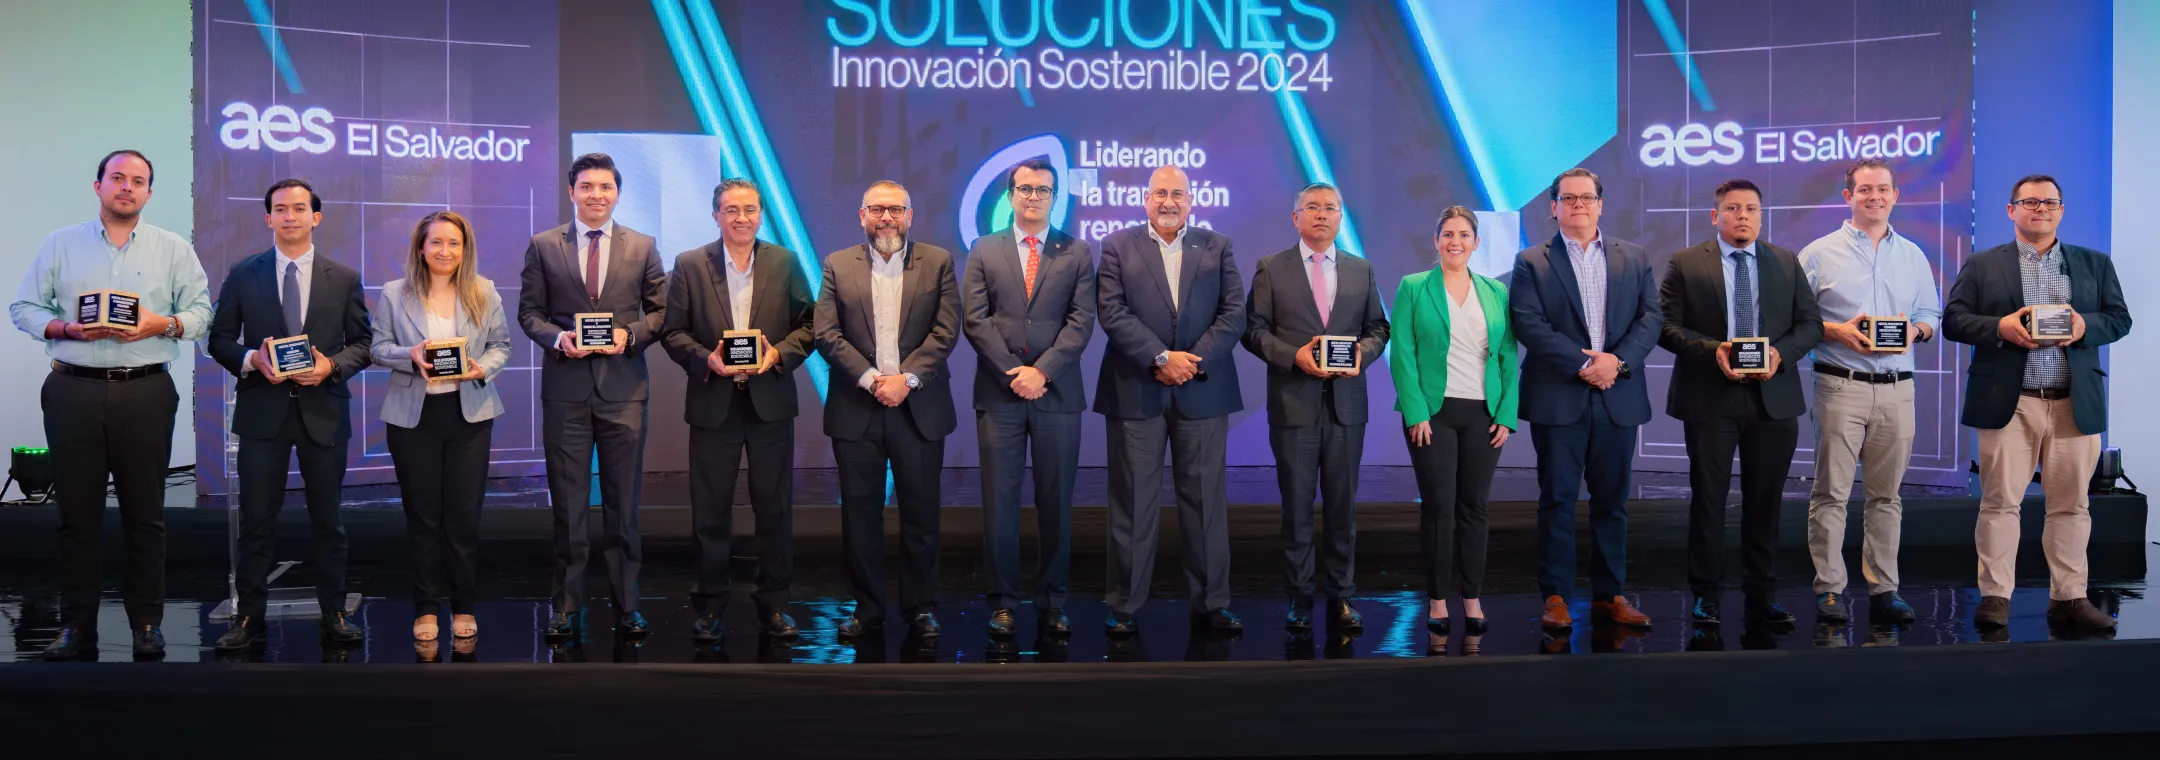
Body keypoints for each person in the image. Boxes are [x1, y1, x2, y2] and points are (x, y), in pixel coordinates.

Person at [11, 150, 212, 660]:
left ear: (149, 193)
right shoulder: (61, 243)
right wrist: (64, 328)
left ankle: (147, 623)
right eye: (117, 178)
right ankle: (77, 627)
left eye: (138, 180)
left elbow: (200, 313)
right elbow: (24, 307)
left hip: (144, 390)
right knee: (77, 516)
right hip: (72, 388)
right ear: (97, 186)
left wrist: (159, 325)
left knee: (146, 516)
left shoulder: (173, 248)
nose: (127, 186)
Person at [1943, 174, 2130, 631]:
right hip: (2011, 402)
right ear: (2012, 210)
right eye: (2030, 202)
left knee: (2071, 506)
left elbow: (2119, 319)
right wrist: (2000, 328)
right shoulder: (1984, 264)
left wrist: (2084, 326)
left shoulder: (2094, 263)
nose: (2040, 209)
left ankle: (2069, 598)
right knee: (2000, 503)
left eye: (2050, 202)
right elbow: (1954, 320)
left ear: (2061, 210)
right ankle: (1995, 597)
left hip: (2073, 402)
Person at [205, 178, 373, 651]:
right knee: (257, 522)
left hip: (324, 413)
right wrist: (251, 360)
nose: (291, 216)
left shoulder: (342, 277)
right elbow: (219, 339)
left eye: (300, 209)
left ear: (315, 217)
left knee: (329, 522)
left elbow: (364, 343)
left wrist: (331, 367)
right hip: (262, 412)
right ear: (268, 218)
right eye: (281, 209)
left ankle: (335, 613)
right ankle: (248, 618)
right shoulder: (243, 273)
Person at [1658, 178, 1822, 627]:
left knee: (1765, 502)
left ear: (1761, 215)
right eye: (1733, 208)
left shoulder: (1786, 262)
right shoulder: (1686, 262)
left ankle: (1762, 596)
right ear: (1716, 216)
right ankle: (1706, 596)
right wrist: (1715, 351)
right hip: (1710, 396)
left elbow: (1810, 325)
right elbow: (1665, 327)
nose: (1742, 216)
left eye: (1751, 208)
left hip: (1773, 398)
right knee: (1708, 500)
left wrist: (1779, 355)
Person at [518, 153, 667, 640]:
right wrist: (558, 339)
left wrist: (628, 337)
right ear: (572, 193)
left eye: (605, 186)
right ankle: (566, 607)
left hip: (624, 390)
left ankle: (628, 606)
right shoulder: (543, 245)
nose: (596, 194)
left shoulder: (642, 246)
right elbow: (530, 313)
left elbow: (661, 313)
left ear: (617, 193)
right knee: (569, 506)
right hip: (566, 391)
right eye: (586, 186)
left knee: (623, 507)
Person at [661, 178, 815, 642]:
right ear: (716, 215)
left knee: (775, 510)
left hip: (770, 403)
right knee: (710, 513)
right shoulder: (690, 264)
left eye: (750, 210)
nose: (741, 218)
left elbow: (809, 324)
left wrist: (779, 355)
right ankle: (710, 607)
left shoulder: (784, 262)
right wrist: (704, 359)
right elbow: (673, 331)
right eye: (731, 210)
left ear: (760, 215)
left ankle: (774, 604)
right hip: (714, 404)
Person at [1508, 168, 1661, 631]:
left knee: (1611, 503)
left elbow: (1650, 318)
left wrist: (1616, 362)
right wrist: (1584, 365)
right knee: (1556, 499)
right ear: (1553, 206)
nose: (1578, 204)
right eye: (1567, 198)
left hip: (1618, 393)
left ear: (1600, 204)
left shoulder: (1633, 257)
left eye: (1586, 197)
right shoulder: (1531, 261)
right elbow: (1529, 324)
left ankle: (1609, 594)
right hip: (1559, 396)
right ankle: (1555, 596)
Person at [1095, 165, 1246, 635]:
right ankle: (1124, 605)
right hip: (1137, 389)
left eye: (1177, 194)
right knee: (1133, 503)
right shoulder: (1117, 245)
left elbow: (1234, 312)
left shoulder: (1217, 245)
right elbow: (1112, 311)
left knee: (1205, 505)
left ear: (1191, 199)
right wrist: (1160, 357)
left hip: (1201, 389)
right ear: (1145, 199)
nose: (1168, 202)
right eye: (1160, 193)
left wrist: (1191, 361)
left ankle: (1213, 602)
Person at [814, 180, 961, 640]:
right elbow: (826, 333)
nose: (886, 218)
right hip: (857, 406)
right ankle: (867, 608)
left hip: (918, 408)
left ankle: (920, 607)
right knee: (860, 518)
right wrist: (872, 379)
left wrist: (906, 379)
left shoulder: (937, 261)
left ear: (910, 216)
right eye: (877, 209)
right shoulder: (838, 264)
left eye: (896, 210)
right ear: (862, 215)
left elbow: (945, 331)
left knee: (921, 515)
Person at [1797, 158, 1941, 625]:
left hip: (1898, 388)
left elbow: (1930, 315)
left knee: (1887, 496)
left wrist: (1915, 332)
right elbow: (1797, 321)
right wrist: (1838, 331)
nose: (1874, 197)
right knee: (1831, 493)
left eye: (1883, 189)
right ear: (1848, 197)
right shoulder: (1818, 253)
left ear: (1895, 195)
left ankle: (1884, 589)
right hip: (1841, 383)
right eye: (1864, 190)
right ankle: (1830, 590)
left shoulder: (1914, 255)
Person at [1242, 182, 1388, 632]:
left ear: (1340, 218)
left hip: (1347, 408)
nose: (1321, 215)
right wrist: (1293, 356)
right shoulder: (1271, 268)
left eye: (1330, 208)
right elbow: (1253, 330)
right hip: (1294, 405)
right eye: (1312, 207)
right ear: (1296, 217)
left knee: (1343, 508)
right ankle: (1300, 597)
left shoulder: (1361, 270)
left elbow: (1378, 328)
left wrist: (1364, 353)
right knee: (1297, 508)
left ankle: (1342, 596)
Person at [960, 158, 1097, 638]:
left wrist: (1043, 372)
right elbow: (975, 320)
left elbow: (1082, 321)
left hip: (1057, 394)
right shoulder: (984, 248)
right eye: (1024, 188)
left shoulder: (1076, 250)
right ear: (1010, 195)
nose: (1033, 196)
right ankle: (1002, 602)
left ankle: (1052, 600)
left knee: (1056, 503)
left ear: (1054, 195)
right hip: (1000, 394)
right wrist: (1014, 372)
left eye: (1043, 189)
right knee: (1000, 502)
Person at [371, 210, 512, 645]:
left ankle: (464, 605)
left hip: (468, 414)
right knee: (423, 517)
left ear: (464, 249)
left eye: (454, 243)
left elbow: (500, 345)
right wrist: (409, 354)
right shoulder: (395, 293)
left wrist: (478, 370)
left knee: (464, 517)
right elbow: (377, 348)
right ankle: (426, 608)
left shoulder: (483, 291)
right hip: (414, 418)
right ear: (421, 247)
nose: (445, 251)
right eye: (436, 243)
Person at [1390, 207, 1516, 634]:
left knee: (1475, 508)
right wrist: (1415, 411)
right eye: (1447, 234)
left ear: (1476, 242)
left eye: (1464, 234)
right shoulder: (1413, 287)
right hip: (1433, 413)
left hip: (1485, 413)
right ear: (1436, 240)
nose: (1455, 241)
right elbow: (1402, 353)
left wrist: (1507, 415)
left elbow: (1508, 356)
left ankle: (1473, 597)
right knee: (1440, 508)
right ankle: (1439, 599)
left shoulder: (1496, 291)